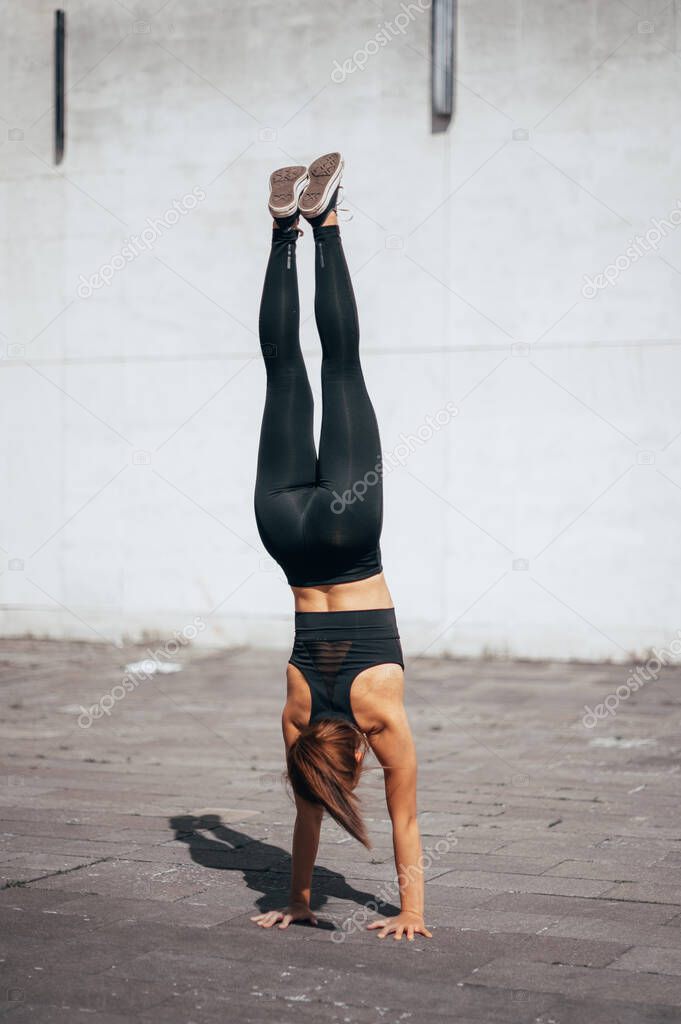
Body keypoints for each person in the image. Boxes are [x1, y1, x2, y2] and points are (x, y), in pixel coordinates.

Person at [250, 153, 432, 942]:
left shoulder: (378, 715)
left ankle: (325, 226)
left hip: (349, 533)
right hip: (286, 531)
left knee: (343, 367)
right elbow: (306, 813)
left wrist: (413, 911)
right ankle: (282, 233)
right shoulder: (296, 723)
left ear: (348, 758)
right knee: (283, 371)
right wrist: (297, 895)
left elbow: (405, 822)